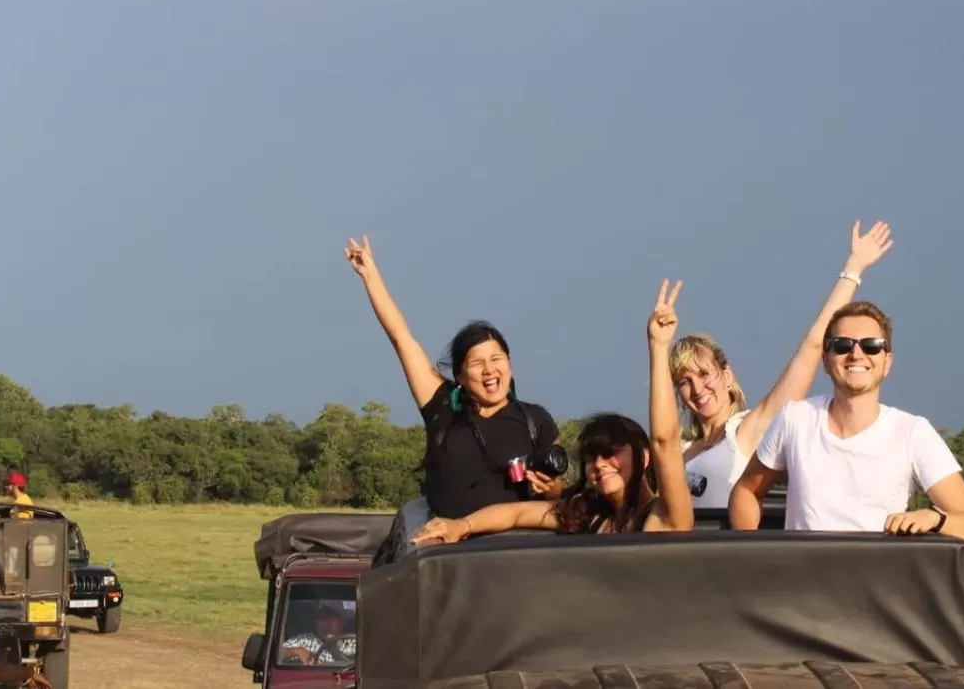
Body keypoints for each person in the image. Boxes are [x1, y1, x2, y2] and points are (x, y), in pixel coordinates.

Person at [412, 279, 695, 541]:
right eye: (592, 458)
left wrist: (658, 347)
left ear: (644, 457)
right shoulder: (588, 514)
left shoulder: (665, 517)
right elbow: (517, 513)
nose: (600, 464)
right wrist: (461, 527)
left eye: (611, 453)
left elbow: (665, 440)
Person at [344, 235, 563, 541]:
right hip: (448, 553)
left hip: (515, 555)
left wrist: (550, 487)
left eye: (496, 359)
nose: (489, 370)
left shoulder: (535, 419)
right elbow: (401, 337)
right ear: (460, 375)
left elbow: (557, 494)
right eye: (477, 363)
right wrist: (370, 275)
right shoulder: (442, 406)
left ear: (509, 364)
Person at [672, 220, 894, 510]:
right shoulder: (681, 450)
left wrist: (852, 271)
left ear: (726, 375)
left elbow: (812, 348)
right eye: (684, 381)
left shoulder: (746, 430)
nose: (697, 388)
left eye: (704, 374)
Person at [728, 301, 964, 545]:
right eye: (842, 345)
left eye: (871, 345)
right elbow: (747, 491)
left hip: (875, 589)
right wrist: (755, 558)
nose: (856, 354)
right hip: (803, 588)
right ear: (826, 361)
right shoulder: (795, 419)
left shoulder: (912, 432)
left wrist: (934, 518)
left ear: (886, 362)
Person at [279, 599, 356, 666]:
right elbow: (275, 653)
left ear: (343, 621)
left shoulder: (356, 644)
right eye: (321, 617)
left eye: (331, 617)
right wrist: (296, 651)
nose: (325, 623)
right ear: (315, 622)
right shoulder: (307, 640)